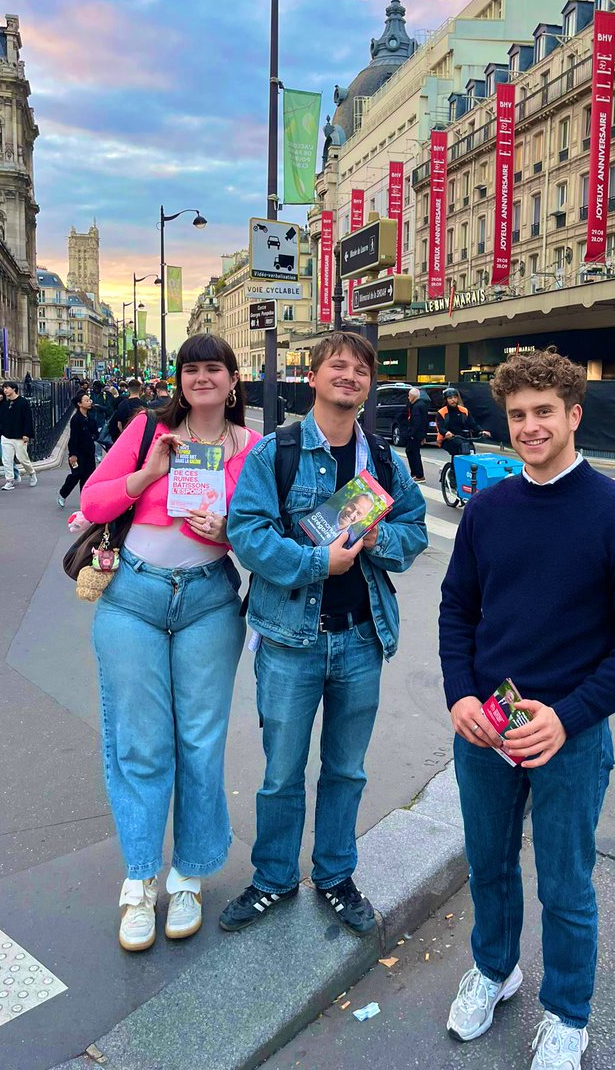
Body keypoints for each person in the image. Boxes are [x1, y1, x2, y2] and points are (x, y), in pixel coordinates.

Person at [439, 347, 615, 1070]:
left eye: (544, 412)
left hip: (568, 732)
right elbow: (456, 610)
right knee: (489, 865)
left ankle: (568, 1011)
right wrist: (460, 693)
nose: (530, 427)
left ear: (573, 415)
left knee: (566, 883)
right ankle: (496, 969)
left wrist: (568, 717)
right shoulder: (489, 508)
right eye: (517, 416)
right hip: (486, 725)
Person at [222, 332, 428, 937]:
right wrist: (319, 565)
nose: (350, 376)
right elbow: (247, 534)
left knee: (346, 769)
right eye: (338, 366)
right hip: (291, 640)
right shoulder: (276, 452)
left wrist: (376, 542)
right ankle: (274, 878)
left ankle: (336, 875)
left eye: (361, 369)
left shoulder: (384, 461)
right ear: (312, 377)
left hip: (362, 639)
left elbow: (413, 531)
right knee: (281, 771)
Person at [81, 334, 260, 952]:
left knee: (200, 743)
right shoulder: (147, 430)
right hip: (133, 596)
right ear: (179, 379)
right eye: (191, 369)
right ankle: (139, 881)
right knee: (140, 743)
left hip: (209, 599)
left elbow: (264, 534)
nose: (202, 377)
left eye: (214, 368)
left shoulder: (252, 448)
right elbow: (93, 499)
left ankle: (188, 874)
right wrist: (148, 473)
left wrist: (232, 529)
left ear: (234, 380)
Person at [58, 389, 99, 507]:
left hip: (89, 452)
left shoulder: (91, 418)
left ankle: (85, 501)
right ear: (79, 404)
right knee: (76, 475)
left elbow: (96, 433)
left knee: (88, 477)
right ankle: (63, 493)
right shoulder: (76, 419)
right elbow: (73, 438)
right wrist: (73, 454)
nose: (89, 402)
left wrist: (93, 436)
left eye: (89, 400)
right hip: (78, 452)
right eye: (86, 401)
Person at [0, 381, 37, 490]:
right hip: (6, 435)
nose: (5, 390)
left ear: (14, 389)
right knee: (6, 459)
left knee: (22, 458)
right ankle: (9, 480)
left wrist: (26, 434)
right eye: (4, 388)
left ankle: (32, 473)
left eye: (7, 388)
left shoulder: (22, 402)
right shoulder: (5, 403)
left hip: (19, 436)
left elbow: (27, 419)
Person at [437, 387, 484, 463]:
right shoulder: (442, 412)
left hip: (463, 437)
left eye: (455, 397)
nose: (453, 400)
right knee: (459, 447)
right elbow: (440, 428)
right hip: (447, 439)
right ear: (446, 400)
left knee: (471, 449)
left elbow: (472, 424)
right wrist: (446, 433)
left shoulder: (464, 410)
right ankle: (454, 471)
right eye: (450, 398)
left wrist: (481, 431)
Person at [404, 386, 429, 483]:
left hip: (415, 434)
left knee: (413, 452)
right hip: (420, 433)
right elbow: (425, 420)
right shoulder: (422, 404)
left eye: (409, 396)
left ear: (413, 397)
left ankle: (418, 474)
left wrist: (411, 433)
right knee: (412, 451)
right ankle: (415, 473)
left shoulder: (417, 406)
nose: (408, 398)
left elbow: (416, 421)